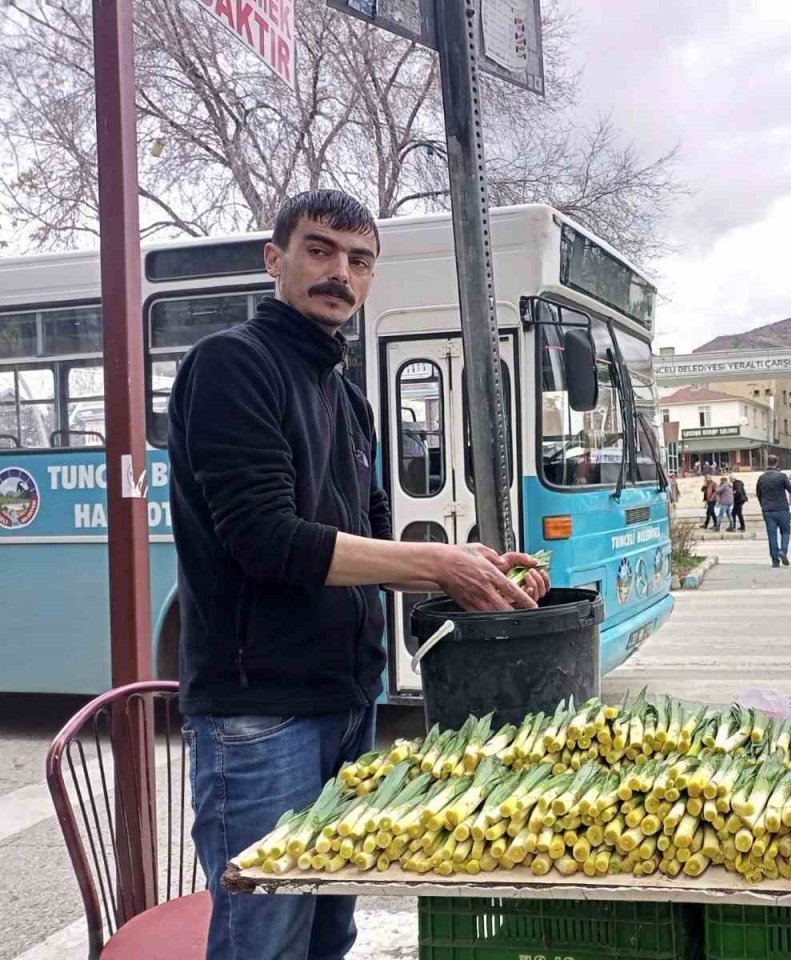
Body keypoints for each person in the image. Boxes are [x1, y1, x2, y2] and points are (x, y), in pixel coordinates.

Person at [168, 190, 550, 960]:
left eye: (359, 260)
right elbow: (267, 541)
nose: (339, 272)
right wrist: (436, 559)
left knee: (327, 933)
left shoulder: (346, 396)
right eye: (319, 250)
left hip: (348, 705)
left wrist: (472, 571)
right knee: (265, 941)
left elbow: (368, 542)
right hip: (260, 717)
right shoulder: (232, 366)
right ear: (274, 259)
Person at [755, 454, 791, 567]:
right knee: (785, 532)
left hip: (768, 510)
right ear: (776, 463)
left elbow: (758, 494)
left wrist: (763, 506)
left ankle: (775, 561)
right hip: (782, 509)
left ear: (767, 463)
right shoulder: (781, 476)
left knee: (772, 535)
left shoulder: (762, 478)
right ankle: (782, 551)